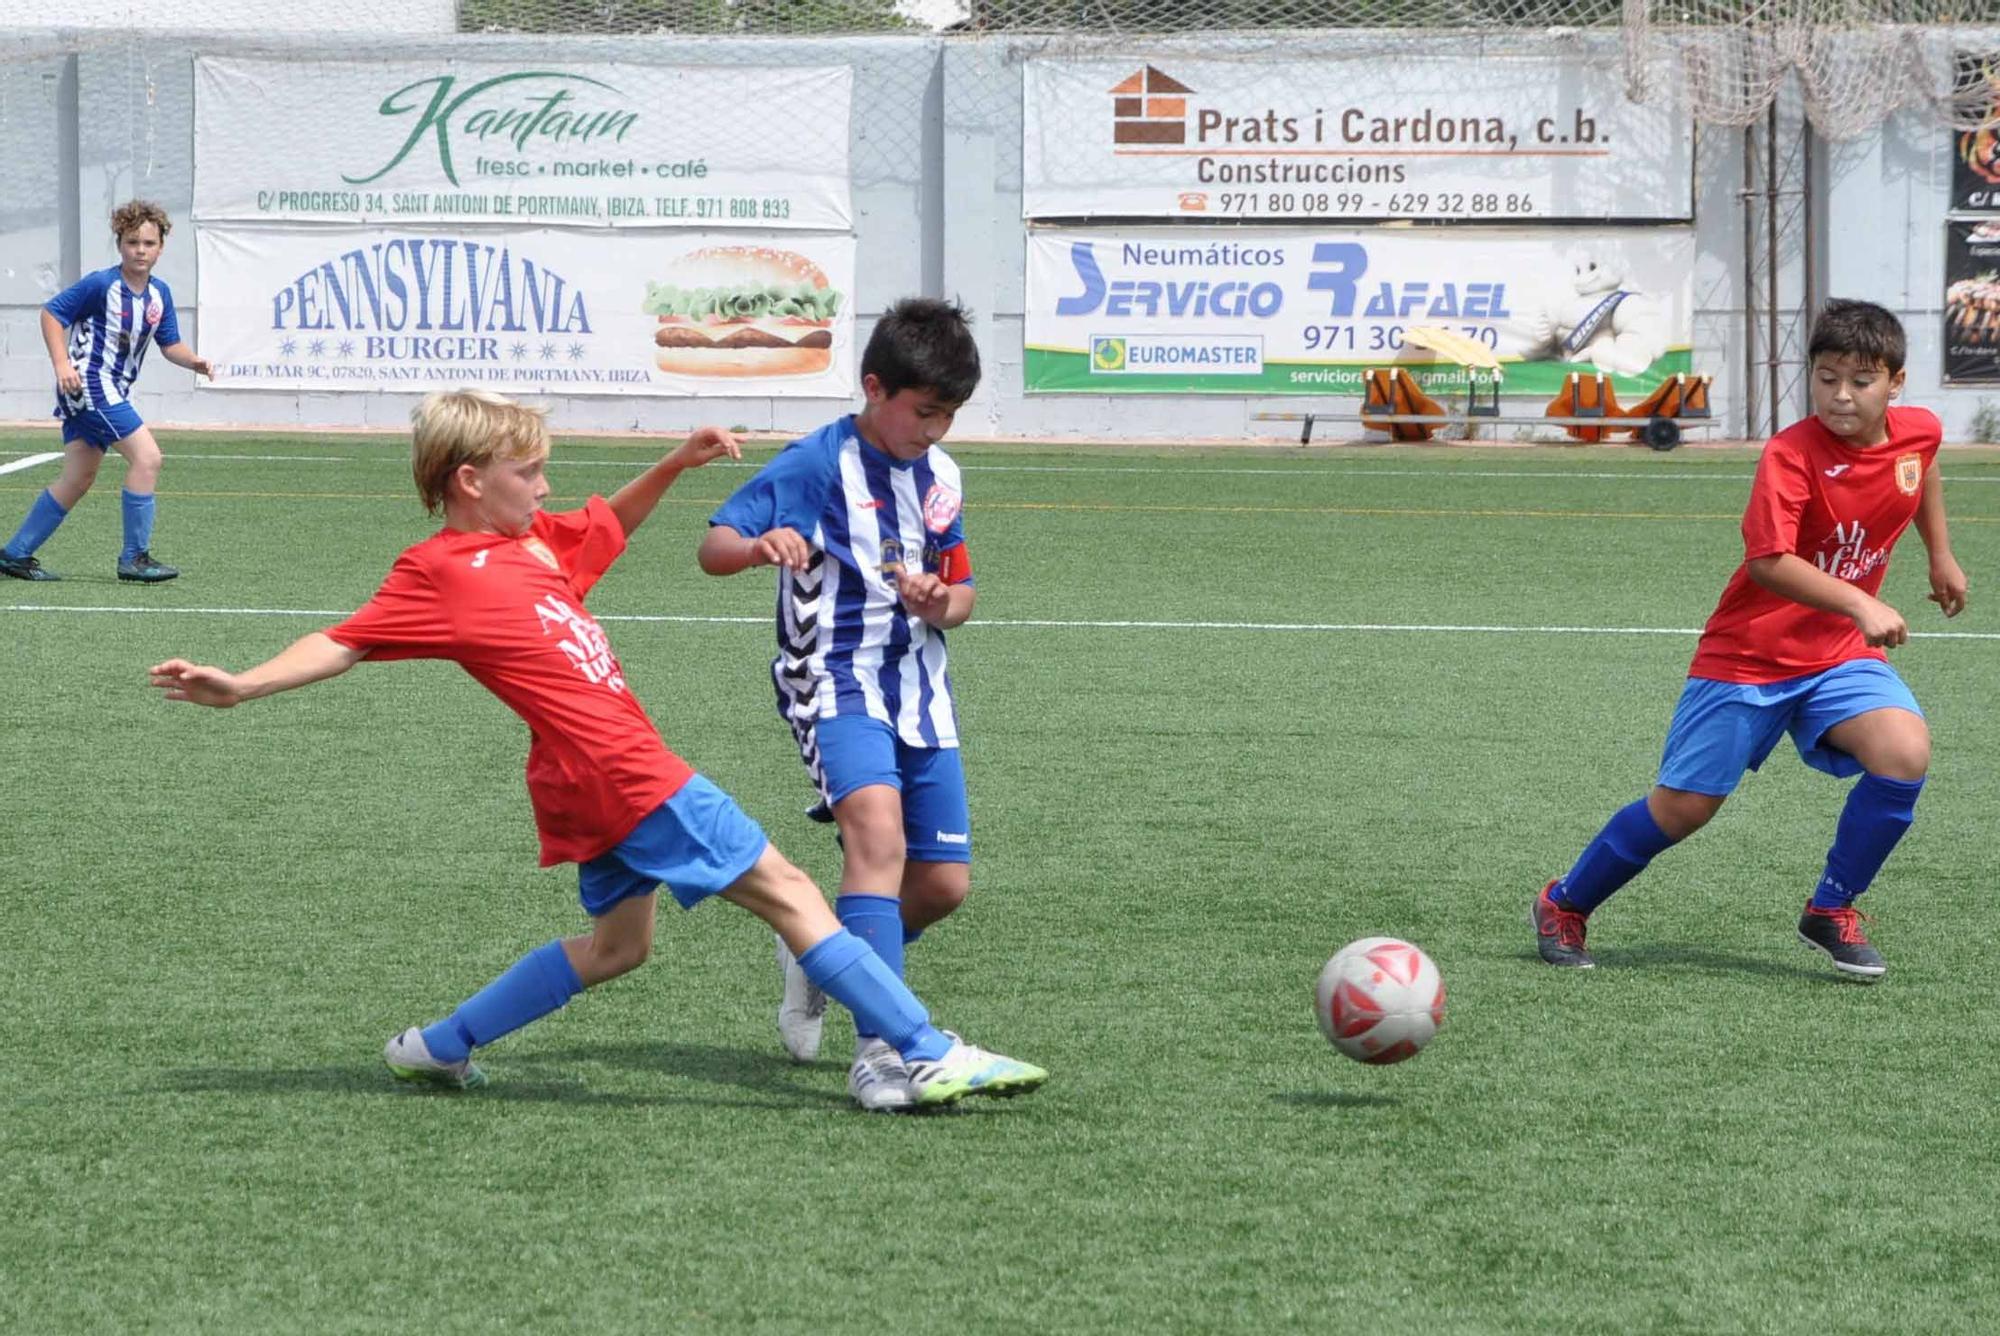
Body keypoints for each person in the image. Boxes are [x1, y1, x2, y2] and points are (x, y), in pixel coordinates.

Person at [148, 389, 1045, 1110]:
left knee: (618, 949)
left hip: (578, 781)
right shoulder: (437, 573)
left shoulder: (533, 544)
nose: (545, 488)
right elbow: (345, 640)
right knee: (795, 893)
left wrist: (674, 463)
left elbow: (602, 527)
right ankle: (923, 1052)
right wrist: (243, 684)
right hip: (624, 772)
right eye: (529, 472)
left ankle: (438, 1047)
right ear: (469, 480)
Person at [1532, 299, 1968, 980]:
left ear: (1896, 383)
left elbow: (1924, 466)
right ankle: (1565, 902)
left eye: (1860, 381)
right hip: (1749, 656)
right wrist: (1859, 600)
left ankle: (1830, 909)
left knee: (1904, 752)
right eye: (1826, 378)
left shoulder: (1918, 432)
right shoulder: (1791, 454)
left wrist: (1940, 554)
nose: (1841, 396)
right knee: (1685, 808)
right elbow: (1769, 560)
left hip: (1837, 655)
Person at [698, 297, 985, 1110]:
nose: (933, 431)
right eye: (923, 411)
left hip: (920, 689)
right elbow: (712, 545)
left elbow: (963, 593)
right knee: (877, 838)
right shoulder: (817, 463)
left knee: (942, 887)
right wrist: (759, 547)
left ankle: (821, 952)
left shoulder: (941, 477)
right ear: (873, 387)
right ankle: (882, 1052)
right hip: (832, 680)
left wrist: (939, 602)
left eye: (949, 416)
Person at [0, 200, 214, 584]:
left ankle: (15, 553)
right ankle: (134, 558)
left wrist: (193, 361)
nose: (141, 250)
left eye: (149, 243)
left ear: (162, 247)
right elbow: (52, 313)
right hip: (88, 383)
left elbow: (170, 344)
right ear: (120, 245)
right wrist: (62, 364)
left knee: (78, 478)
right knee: (148, 457)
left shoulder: (159, 294)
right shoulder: (102, 284)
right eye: (133, 242)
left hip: (109, 389)